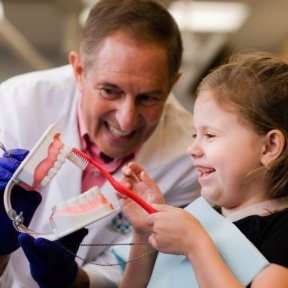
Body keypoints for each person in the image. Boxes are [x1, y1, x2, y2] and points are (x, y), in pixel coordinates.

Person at [0, 0, 201, 287]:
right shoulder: (14, 105)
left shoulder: (188, 159)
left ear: (172, 84)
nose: (127, 120)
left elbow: (128, 272)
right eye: (110, 90)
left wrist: (69, 280)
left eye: (149, 98)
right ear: (79, 71)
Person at [118, 51, 288, 288]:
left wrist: (195, 245)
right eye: (194, 134)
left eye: (209, 135)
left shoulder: (281, 232)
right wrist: (146, 231)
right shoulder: (198, 217)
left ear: (269, 147)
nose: (192, 149)